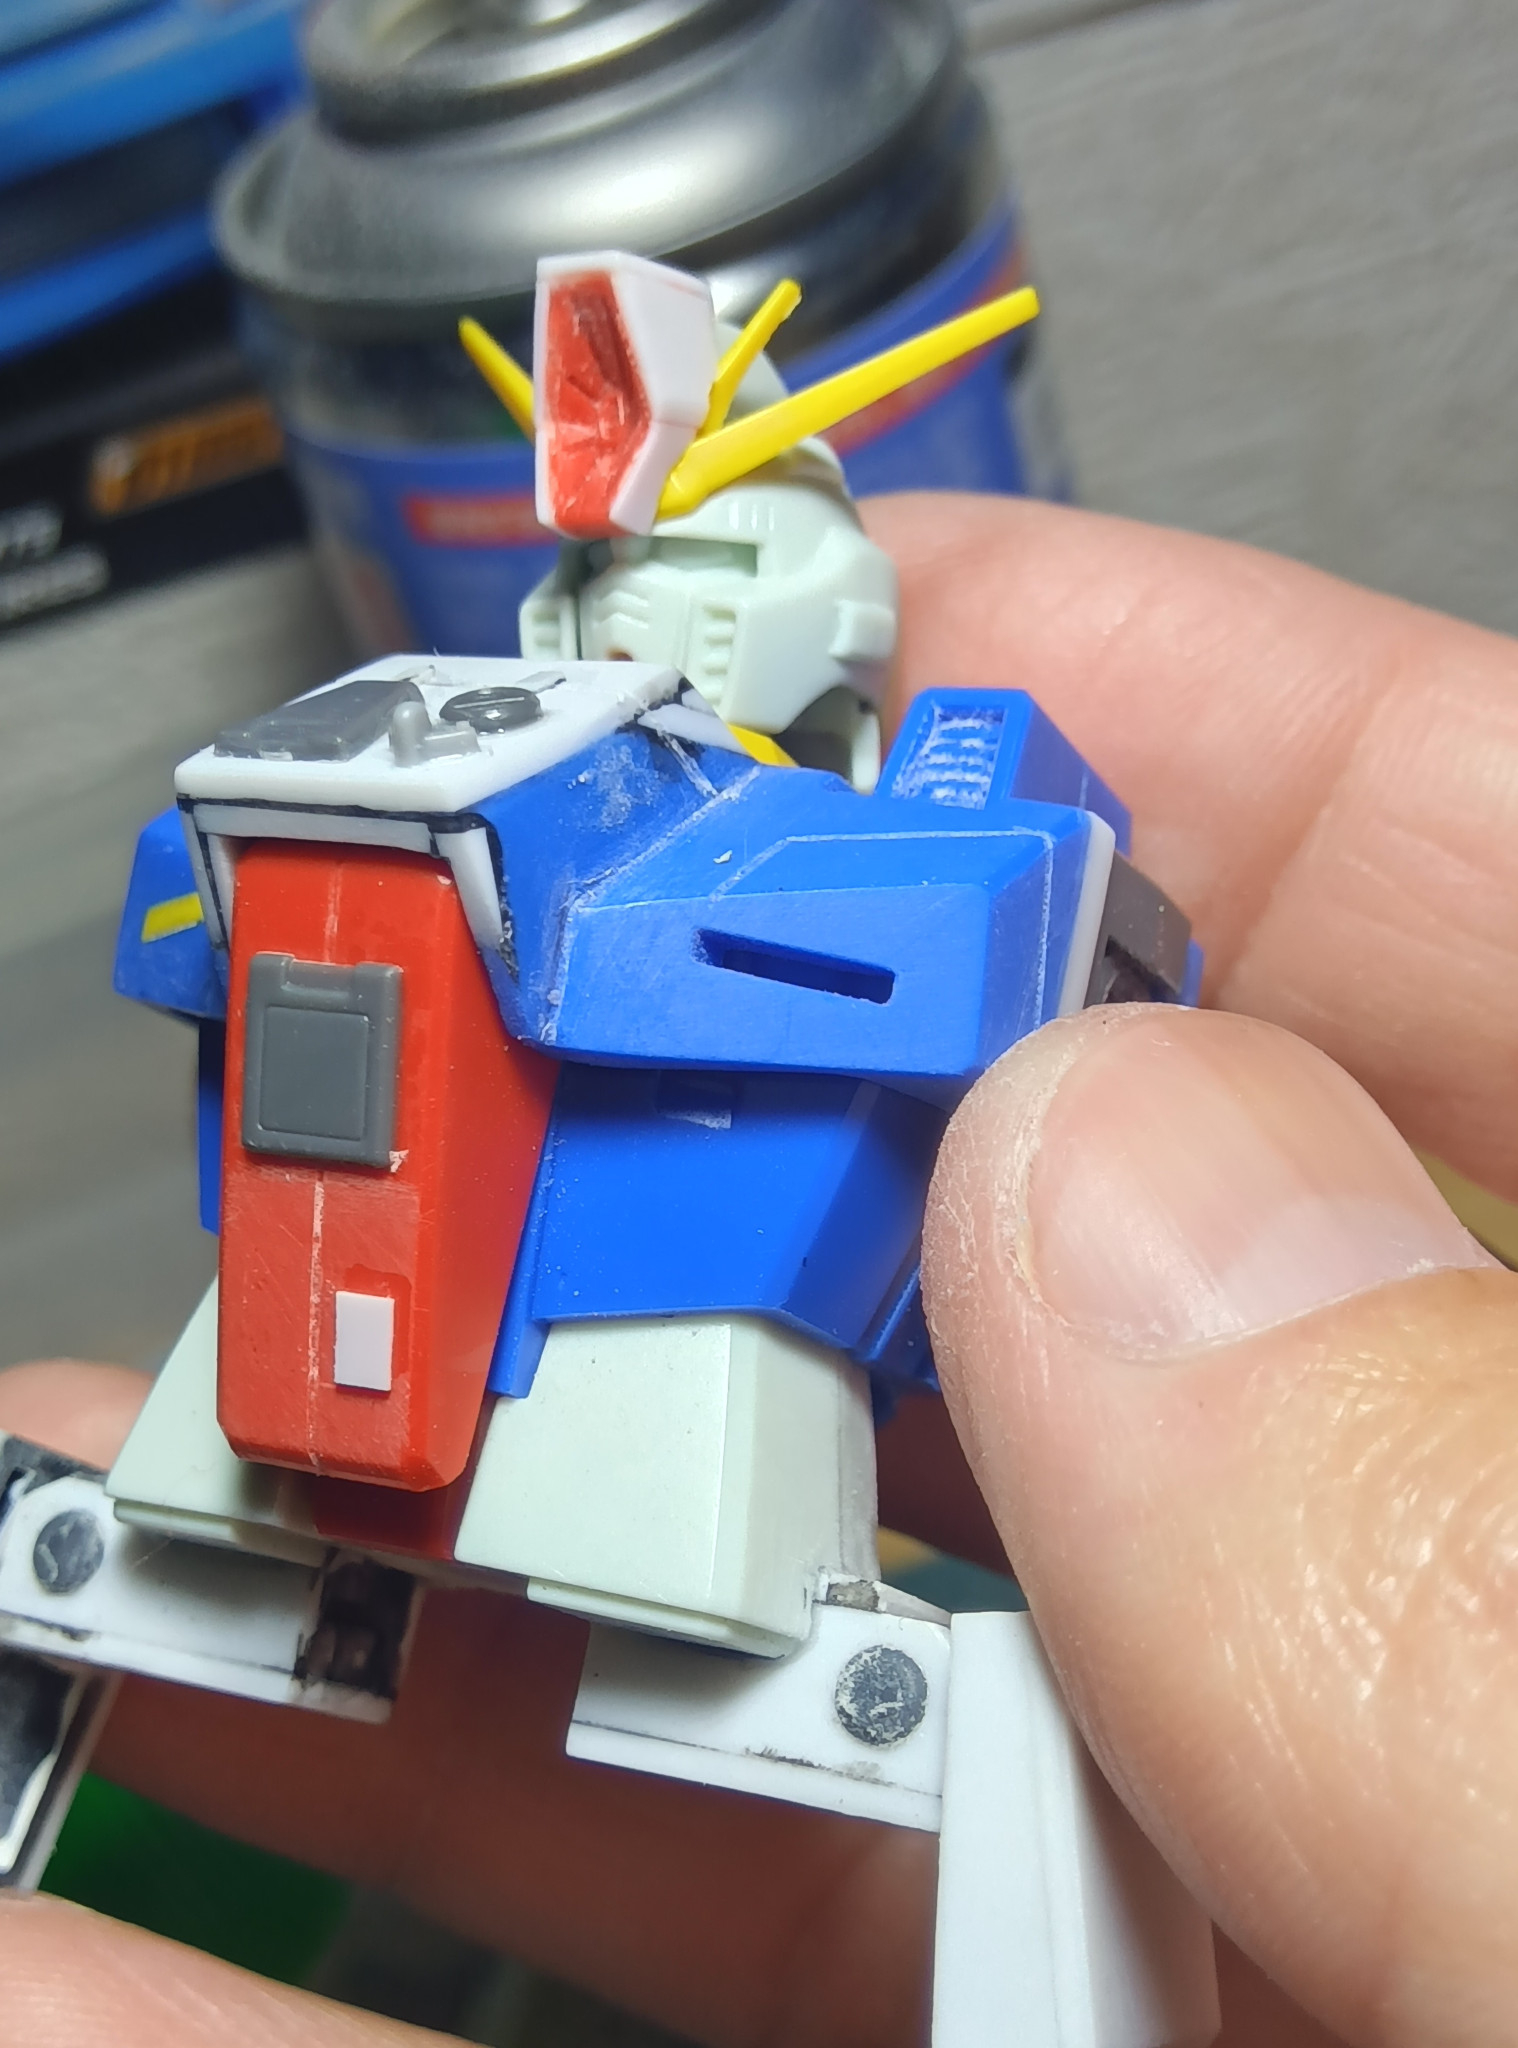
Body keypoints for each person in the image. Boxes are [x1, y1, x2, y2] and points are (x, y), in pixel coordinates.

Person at [4, 492, 1514, 2048]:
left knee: (1005, 1726)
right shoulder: (418, 808)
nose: (643, 613)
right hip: (337, 1400)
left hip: (661, 1374)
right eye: (620, 583)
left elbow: (1034, 945)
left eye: (703, 583)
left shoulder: (874, 845)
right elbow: (201, 929)